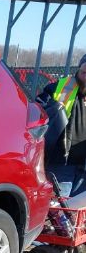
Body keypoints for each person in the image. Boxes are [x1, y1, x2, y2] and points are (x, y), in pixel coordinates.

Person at [38, 55, 86, 197]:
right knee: (58, 208)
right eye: (84, 73)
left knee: (78, 211)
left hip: (83, 166)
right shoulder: (59, 88)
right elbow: (39, 110)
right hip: (62, 163)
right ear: (79, 69)